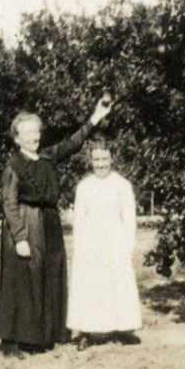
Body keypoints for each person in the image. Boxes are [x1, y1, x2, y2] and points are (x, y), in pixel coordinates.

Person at [0, 96, 113, 358]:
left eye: (36, 131)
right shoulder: (13, 166)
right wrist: (20, 237)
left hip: (49, 222)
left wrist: (96, 117)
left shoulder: (47, 156)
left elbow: (73, 142)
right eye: (27, 133)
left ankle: (43, 336)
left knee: (49, 275)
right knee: (24, 280)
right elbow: (9, 202)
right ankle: (13, 341)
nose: (34, 137)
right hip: (26, 223)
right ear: (17, 138)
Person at [67, 137, 143, 349]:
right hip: (91, 244)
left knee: (118, 285)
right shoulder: (84, 186)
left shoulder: (122, 185)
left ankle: (123, 328)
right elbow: (79, 221)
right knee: (90, 286)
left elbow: (129, 219)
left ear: (112, 159)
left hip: (115, 243)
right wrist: (80, 247)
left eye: (104, 159)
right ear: (91, 161)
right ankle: (86, 331)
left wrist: (128, 246)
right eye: (96, 159)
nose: (100, 164)